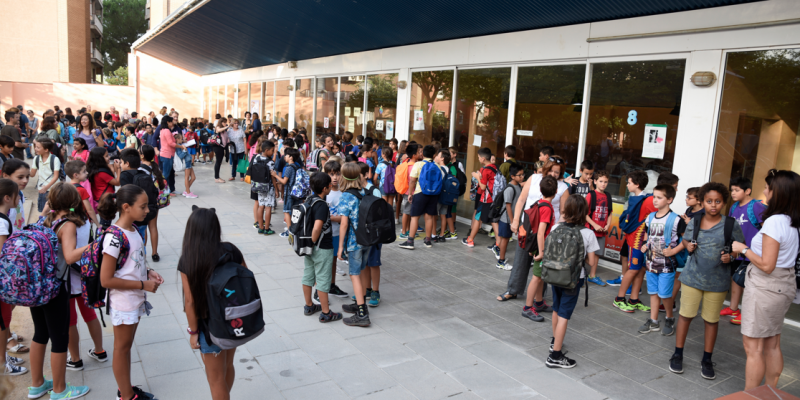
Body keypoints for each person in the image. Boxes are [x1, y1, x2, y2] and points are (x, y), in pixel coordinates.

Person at [729, 169, 800, 389]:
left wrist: (744, 249)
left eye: (768, 188)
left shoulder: (775, 221)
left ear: (778, 193)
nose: (764, 192)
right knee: (772, 342)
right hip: (783, 284)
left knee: (754, 347)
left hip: (766, 287)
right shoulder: (792, 220)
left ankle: (751, 394)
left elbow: (767, 265)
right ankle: (770, 391)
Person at [670, 182, 744, 380]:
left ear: (724, 203)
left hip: (717, 282)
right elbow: (685, 240)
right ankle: (677, 354)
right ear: (702, 202)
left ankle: (707, 359)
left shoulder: (730, 224)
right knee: (685, 316)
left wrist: (732, 257)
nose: (713, 205)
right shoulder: (695, 220)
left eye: (718, 201)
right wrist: (689, 247)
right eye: (709, 201)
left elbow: (738, 249)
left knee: (711, 320)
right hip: (692, 278)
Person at [97, 185, 164, 400]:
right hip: (123, 301)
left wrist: (149, 272)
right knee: (121, 348)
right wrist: (142, 285)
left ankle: (126, 388)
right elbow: (106, 279)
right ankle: (126, 396)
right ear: (126, 207)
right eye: (143, 206)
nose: (147, 211)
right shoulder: (114, 237)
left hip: (134, 299)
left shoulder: (133, 230)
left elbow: (131, 263)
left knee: (125, 348)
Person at [27, 183, 92, 399]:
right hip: (55, 288)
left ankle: (37, 385)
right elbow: (71, 256)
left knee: (40, 334)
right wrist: (94, 245)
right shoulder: (68, 225)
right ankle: (59, 390)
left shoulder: (47, 220)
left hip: (37, 287)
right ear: (74, 201)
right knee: (59, 338)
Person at [179, 207, 245, 400]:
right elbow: (245, 280)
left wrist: (193, 333)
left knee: (215, 379)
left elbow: (190, 302)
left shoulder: (189, 259)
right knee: (227, 366)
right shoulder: (231, 250)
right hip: (233, 320)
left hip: (209, 327)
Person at [637, 184, 682, 336]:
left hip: (667, 264)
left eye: (659, 197)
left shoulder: (676, 220)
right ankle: (653, 321)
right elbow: (648, 235)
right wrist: (645, 245)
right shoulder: (650, 218)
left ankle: (669, 317)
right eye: (654, 197)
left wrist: (674, 250)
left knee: (665, 294)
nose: (654, 200)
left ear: (669, 199)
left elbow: (687, 240)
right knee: (653, 292)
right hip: (651, 262)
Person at [721, 177, 766, 325]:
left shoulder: (757, 207)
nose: (733, 193)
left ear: (747, 191)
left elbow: (767, 229)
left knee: (749, 283)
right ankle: (734, 308)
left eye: (737, 190)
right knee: (735, 279)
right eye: (732, 190)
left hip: (752, 252)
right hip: (737, 251)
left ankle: (747, 313)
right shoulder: (734, 207)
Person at [612, 170, 657, 312]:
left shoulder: (646, 199)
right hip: (636, 241)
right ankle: (619, 299)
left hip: (643, 241)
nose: (626, 185)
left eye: (629, 182)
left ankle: (633, 299)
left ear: (637, 185)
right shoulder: (644, 199)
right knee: (633, 270)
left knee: (641, 270)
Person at [301, 172, 343, 322]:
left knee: (308, 276)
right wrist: (313, 242)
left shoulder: (309, 199)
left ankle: (309, 305)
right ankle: (326, 313)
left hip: (308, 247)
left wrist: (308, 244)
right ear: (326, 188)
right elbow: (317, 228)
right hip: (321, 247)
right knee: (323, 279)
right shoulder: (322, 205)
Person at [337, 163, 372, 326]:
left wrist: (340, 247)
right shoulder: (364, 191)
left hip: (354, 241)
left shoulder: (346, 196)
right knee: (362, 270)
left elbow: (344, 224)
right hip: (367, 239)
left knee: (354, 274)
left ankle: (362, 314)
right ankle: (360, 302)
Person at [518, 176, 557, 320]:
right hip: (542, 247)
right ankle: (528, 307)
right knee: (536, 277)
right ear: (556, 191)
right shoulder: (546, 208)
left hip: (537, 245)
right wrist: (541, 252)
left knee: (540, 277)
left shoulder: (538, 203)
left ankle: (539, 302)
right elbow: (541, 232)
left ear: (540, 190)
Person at [0, 178, 26, 376]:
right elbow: (3, 254)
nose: (19, 199)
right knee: (3, 321)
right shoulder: (2, 221)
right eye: (17, 196)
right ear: (8, 198)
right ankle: (2, 363)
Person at [400, 145, 444, 250]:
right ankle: (428, 240)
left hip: (420, 193)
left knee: (415, 217)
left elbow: (412, 180)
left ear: (422, 154)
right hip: (433, 194)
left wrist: (410, 193)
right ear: (434, 155)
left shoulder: (418, 164)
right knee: (429, 217)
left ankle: (410, 241)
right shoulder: (437, 166)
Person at [461, 148, 498, 248]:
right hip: (493, 198)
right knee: (493, 220)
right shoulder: (494, 167)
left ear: (483, 159)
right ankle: (498, 243)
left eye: (478, 157)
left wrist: (477, 176)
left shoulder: (486, 170)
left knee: (478, 218)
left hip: (486, 199)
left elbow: (482, 187)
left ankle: (470, 240)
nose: (478, 159)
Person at [323, 160, 349, 297]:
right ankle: (320, 290)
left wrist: (333, 218)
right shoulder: (324, 192)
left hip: (337, 233)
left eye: (337, 174)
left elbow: (346, 218)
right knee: (324, 262)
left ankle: (332, 285)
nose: (334, 177)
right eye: (331, 174)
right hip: (325, 234)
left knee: (333, 261)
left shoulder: (344, 193)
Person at [585, 170, 611, 286]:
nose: (603, 184)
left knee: (597, 254)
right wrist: (594, 225)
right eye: (600, 181)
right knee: (585, 253)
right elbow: (584, 213)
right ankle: (577, 275)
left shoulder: (608, 196)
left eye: (605, 182)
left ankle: (592, 275)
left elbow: (610, 212)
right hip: (590, 230)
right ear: (595, 181)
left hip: (602, 232)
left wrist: (607, 225)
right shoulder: (591, 195)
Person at [496, 162, 524, 270]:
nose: (522, 177)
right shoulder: (510, 188)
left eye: (523, 175)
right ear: (512, 176)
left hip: (511, 220)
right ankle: (501, 261)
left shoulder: (518, 186)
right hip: (507, 220)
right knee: (505, 240)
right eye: (519, 175)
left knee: (506, 239)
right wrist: (513, 222)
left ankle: (501, 258)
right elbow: (508, 206)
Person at [139, 145, 165, 262]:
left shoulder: (139, 169)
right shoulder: (155, 167)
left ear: (142, 155)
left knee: (143, 228)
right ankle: (155, 253)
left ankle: (142, 251)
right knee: (153, 227)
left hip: (143, 201)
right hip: (155, 201)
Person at [86, 147, 121, 227]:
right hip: (105, 200)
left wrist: (113, 168)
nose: (109, 157)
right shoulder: (102, 172)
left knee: (104, 222)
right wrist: (119, 168)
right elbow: (117, 182)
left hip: (99, 198)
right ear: (99, 158)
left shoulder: (94, 169)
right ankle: (101, 237)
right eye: (106, 156)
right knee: (105, 224)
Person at [273, 148, 303, 237]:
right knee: (295, 212)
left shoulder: (289, 168)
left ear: (290, 157)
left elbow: (284, 181)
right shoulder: (297, 166)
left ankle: (290, 232)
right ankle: (295, 230)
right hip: (297, 193)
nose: (284, 157)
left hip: (289, 193)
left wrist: (275, 176)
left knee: (286, 212)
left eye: (286, 155)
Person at [30, 138, 61, 213]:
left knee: (54, 210)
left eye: (38, 147)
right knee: (42, 211)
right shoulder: (36, 158)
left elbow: (56, 176)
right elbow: (32, 174)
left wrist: (46, 187)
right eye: (35, 146)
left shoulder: (55, 159)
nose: (35, 149)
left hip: (53, 189)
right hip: (42, 189)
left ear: (46, 150)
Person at [252, 141, 276, 235]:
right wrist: (277, 189)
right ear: (266, 150)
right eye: (272, 151)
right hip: (268, 187)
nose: (273, 153)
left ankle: (260, 227)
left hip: (258, 186)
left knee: (261, 206)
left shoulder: (256, 158)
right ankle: (267, 229)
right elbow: (273, 177)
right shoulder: (270, 162)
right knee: (268, 207)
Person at [397, 144, 421, 239]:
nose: (420, 153)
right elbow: (412, 181)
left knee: (409, 212)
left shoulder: (406, 163)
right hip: (410, 192)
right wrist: (411, 193)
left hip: (406, 191)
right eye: (419, 152)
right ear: (414, 155)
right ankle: (403, 231)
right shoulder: (413, 166)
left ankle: (407, 230)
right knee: (407, 212)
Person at [158, 116, 179, 195]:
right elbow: (170, 143)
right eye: (171, 121)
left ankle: (164, 190)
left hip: (165, 154)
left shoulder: (162, 130)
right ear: (168, 122)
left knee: (166, 173)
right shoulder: (166, 130)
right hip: (167, 155)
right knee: (166, 174)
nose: (172, 123)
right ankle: (163, 191)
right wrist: (181, 146)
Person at [212, 119, 230, 183]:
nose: (225, 123)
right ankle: (216, 178)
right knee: (218, 162)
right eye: (224, 122)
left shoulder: (224, 129)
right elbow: (219, 130)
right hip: (218, 147)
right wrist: (227, 126)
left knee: (219, 162)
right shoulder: (218, 127)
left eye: (226, 122)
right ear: (221, 122)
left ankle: (217, 177)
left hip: (222, 147)